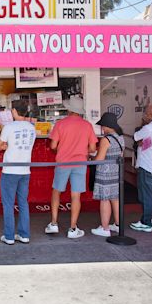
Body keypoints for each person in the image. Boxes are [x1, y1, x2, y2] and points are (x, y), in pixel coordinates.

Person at [45, 96, 98, 239]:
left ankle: (54, 223)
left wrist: (62, 150)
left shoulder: (60, 124)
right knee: (76, 196)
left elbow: (53, 146)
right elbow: (93, 149)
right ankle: (73, 228)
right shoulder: (87, 125)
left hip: (62, 163)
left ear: (69, 109)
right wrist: (82, 151)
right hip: (80, 164)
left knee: (56, 192)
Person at [0, 100, 36, 245]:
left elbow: (0, 146)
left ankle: (9, 236)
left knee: (8, 204)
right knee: (23, 203)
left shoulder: (9, 127)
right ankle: (24, 235)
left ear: (13, 111)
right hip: (25, 170)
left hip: (10, 170)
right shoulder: (32, 128)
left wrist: (6, 145)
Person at [90, 112, 125, 237]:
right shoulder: (120, 137)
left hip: (105, 173)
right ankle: (118, 224)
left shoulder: (106, 139)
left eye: (102, 126)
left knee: (104, 200)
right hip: (116, 172)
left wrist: (91, 159)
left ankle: (104, 228)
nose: (102, 128)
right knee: (115, 198)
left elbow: (99, 159)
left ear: (106, 126)